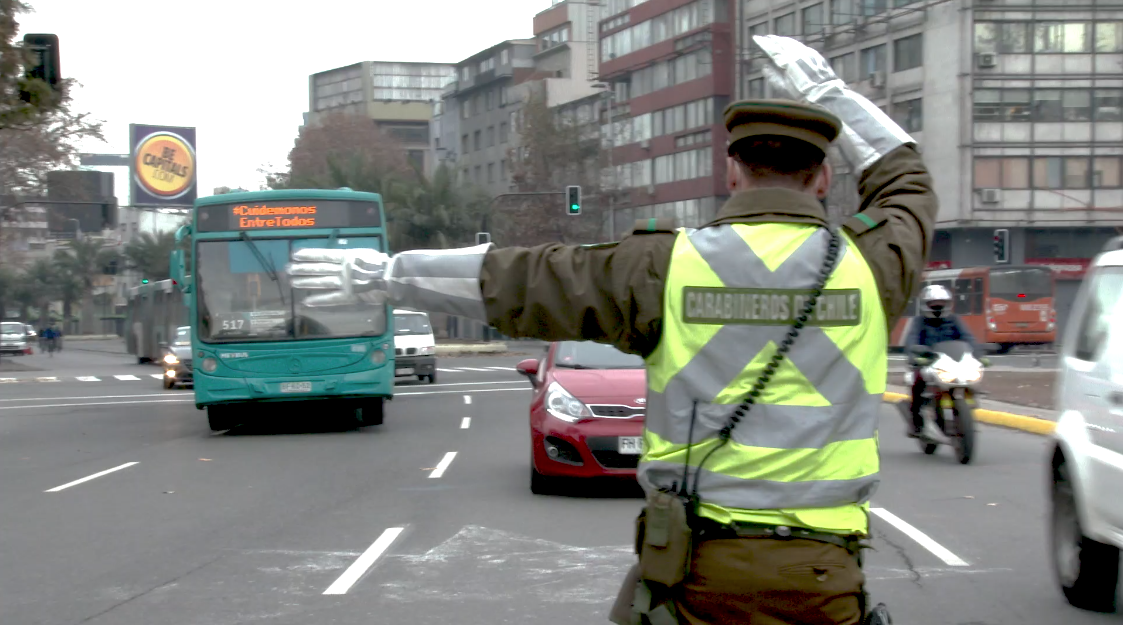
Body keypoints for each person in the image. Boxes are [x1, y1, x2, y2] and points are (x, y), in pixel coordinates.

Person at [285, 34, 935, 625]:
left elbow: (523, 278)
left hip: (695, 572)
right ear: (823, 178)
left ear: (731, 170)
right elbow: (906, 179)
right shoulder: (872, 266)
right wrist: (831, 97)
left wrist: (388, 274)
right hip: (823, 577)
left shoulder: (665, 265)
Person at [905, 284, 979, 438]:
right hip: (927, 362)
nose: (937, 306)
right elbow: (911, 340)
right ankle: (916, 421)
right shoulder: (919, 321)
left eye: (941, 303)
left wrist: (977, 354)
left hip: (951, 361)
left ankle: (967, 415)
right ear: (926, 305)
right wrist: (915, 355)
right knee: (918, 382)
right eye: (933, 304)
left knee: (969, 380)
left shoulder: (954, 320)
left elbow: (968, 337)